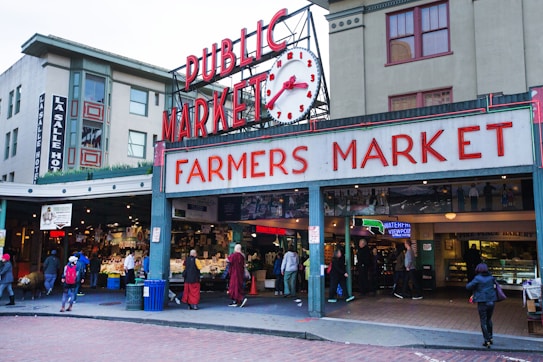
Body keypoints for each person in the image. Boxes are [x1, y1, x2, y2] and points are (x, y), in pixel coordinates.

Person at [466, 263, 497, 348]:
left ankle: (486, 340)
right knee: (489, 319)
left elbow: (468, 286)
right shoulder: (491, 278)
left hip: (482, 301)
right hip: (491, 301)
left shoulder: (478, 278)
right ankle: (490, 338)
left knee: (483, 321)